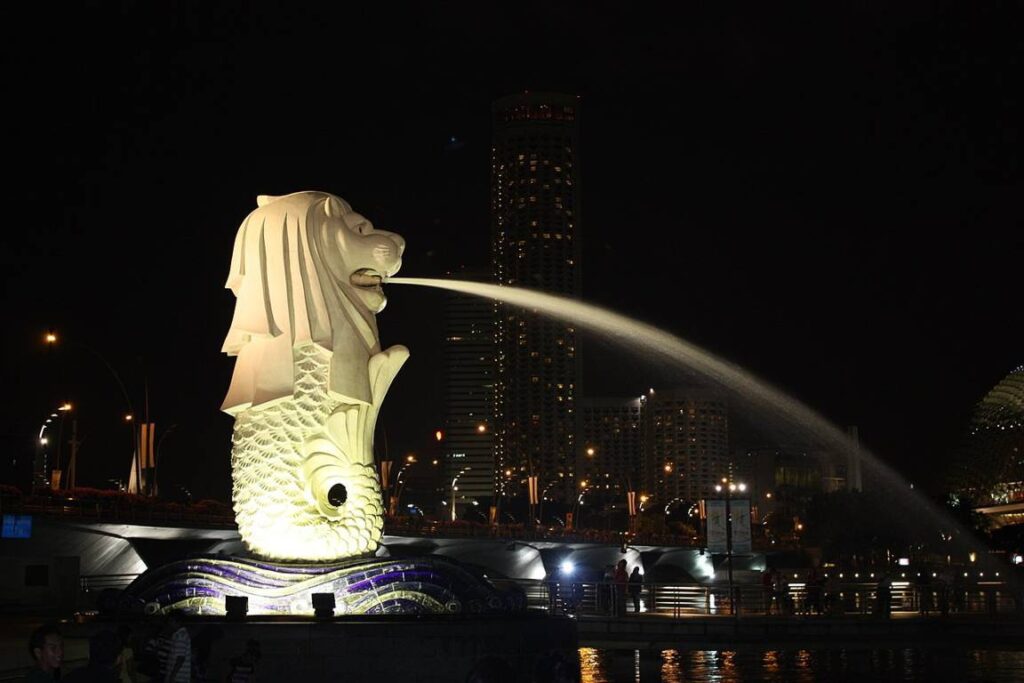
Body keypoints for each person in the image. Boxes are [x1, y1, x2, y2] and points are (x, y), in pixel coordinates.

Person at [157, 612, 191, 683]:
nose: (169, 624)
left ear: (177, 622)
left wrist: (172, 677)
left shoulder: (180, 636)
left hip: (178, 678)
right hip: (177, 677)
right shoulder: (178, 635)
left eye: (170, 621)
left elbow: (180, 658)